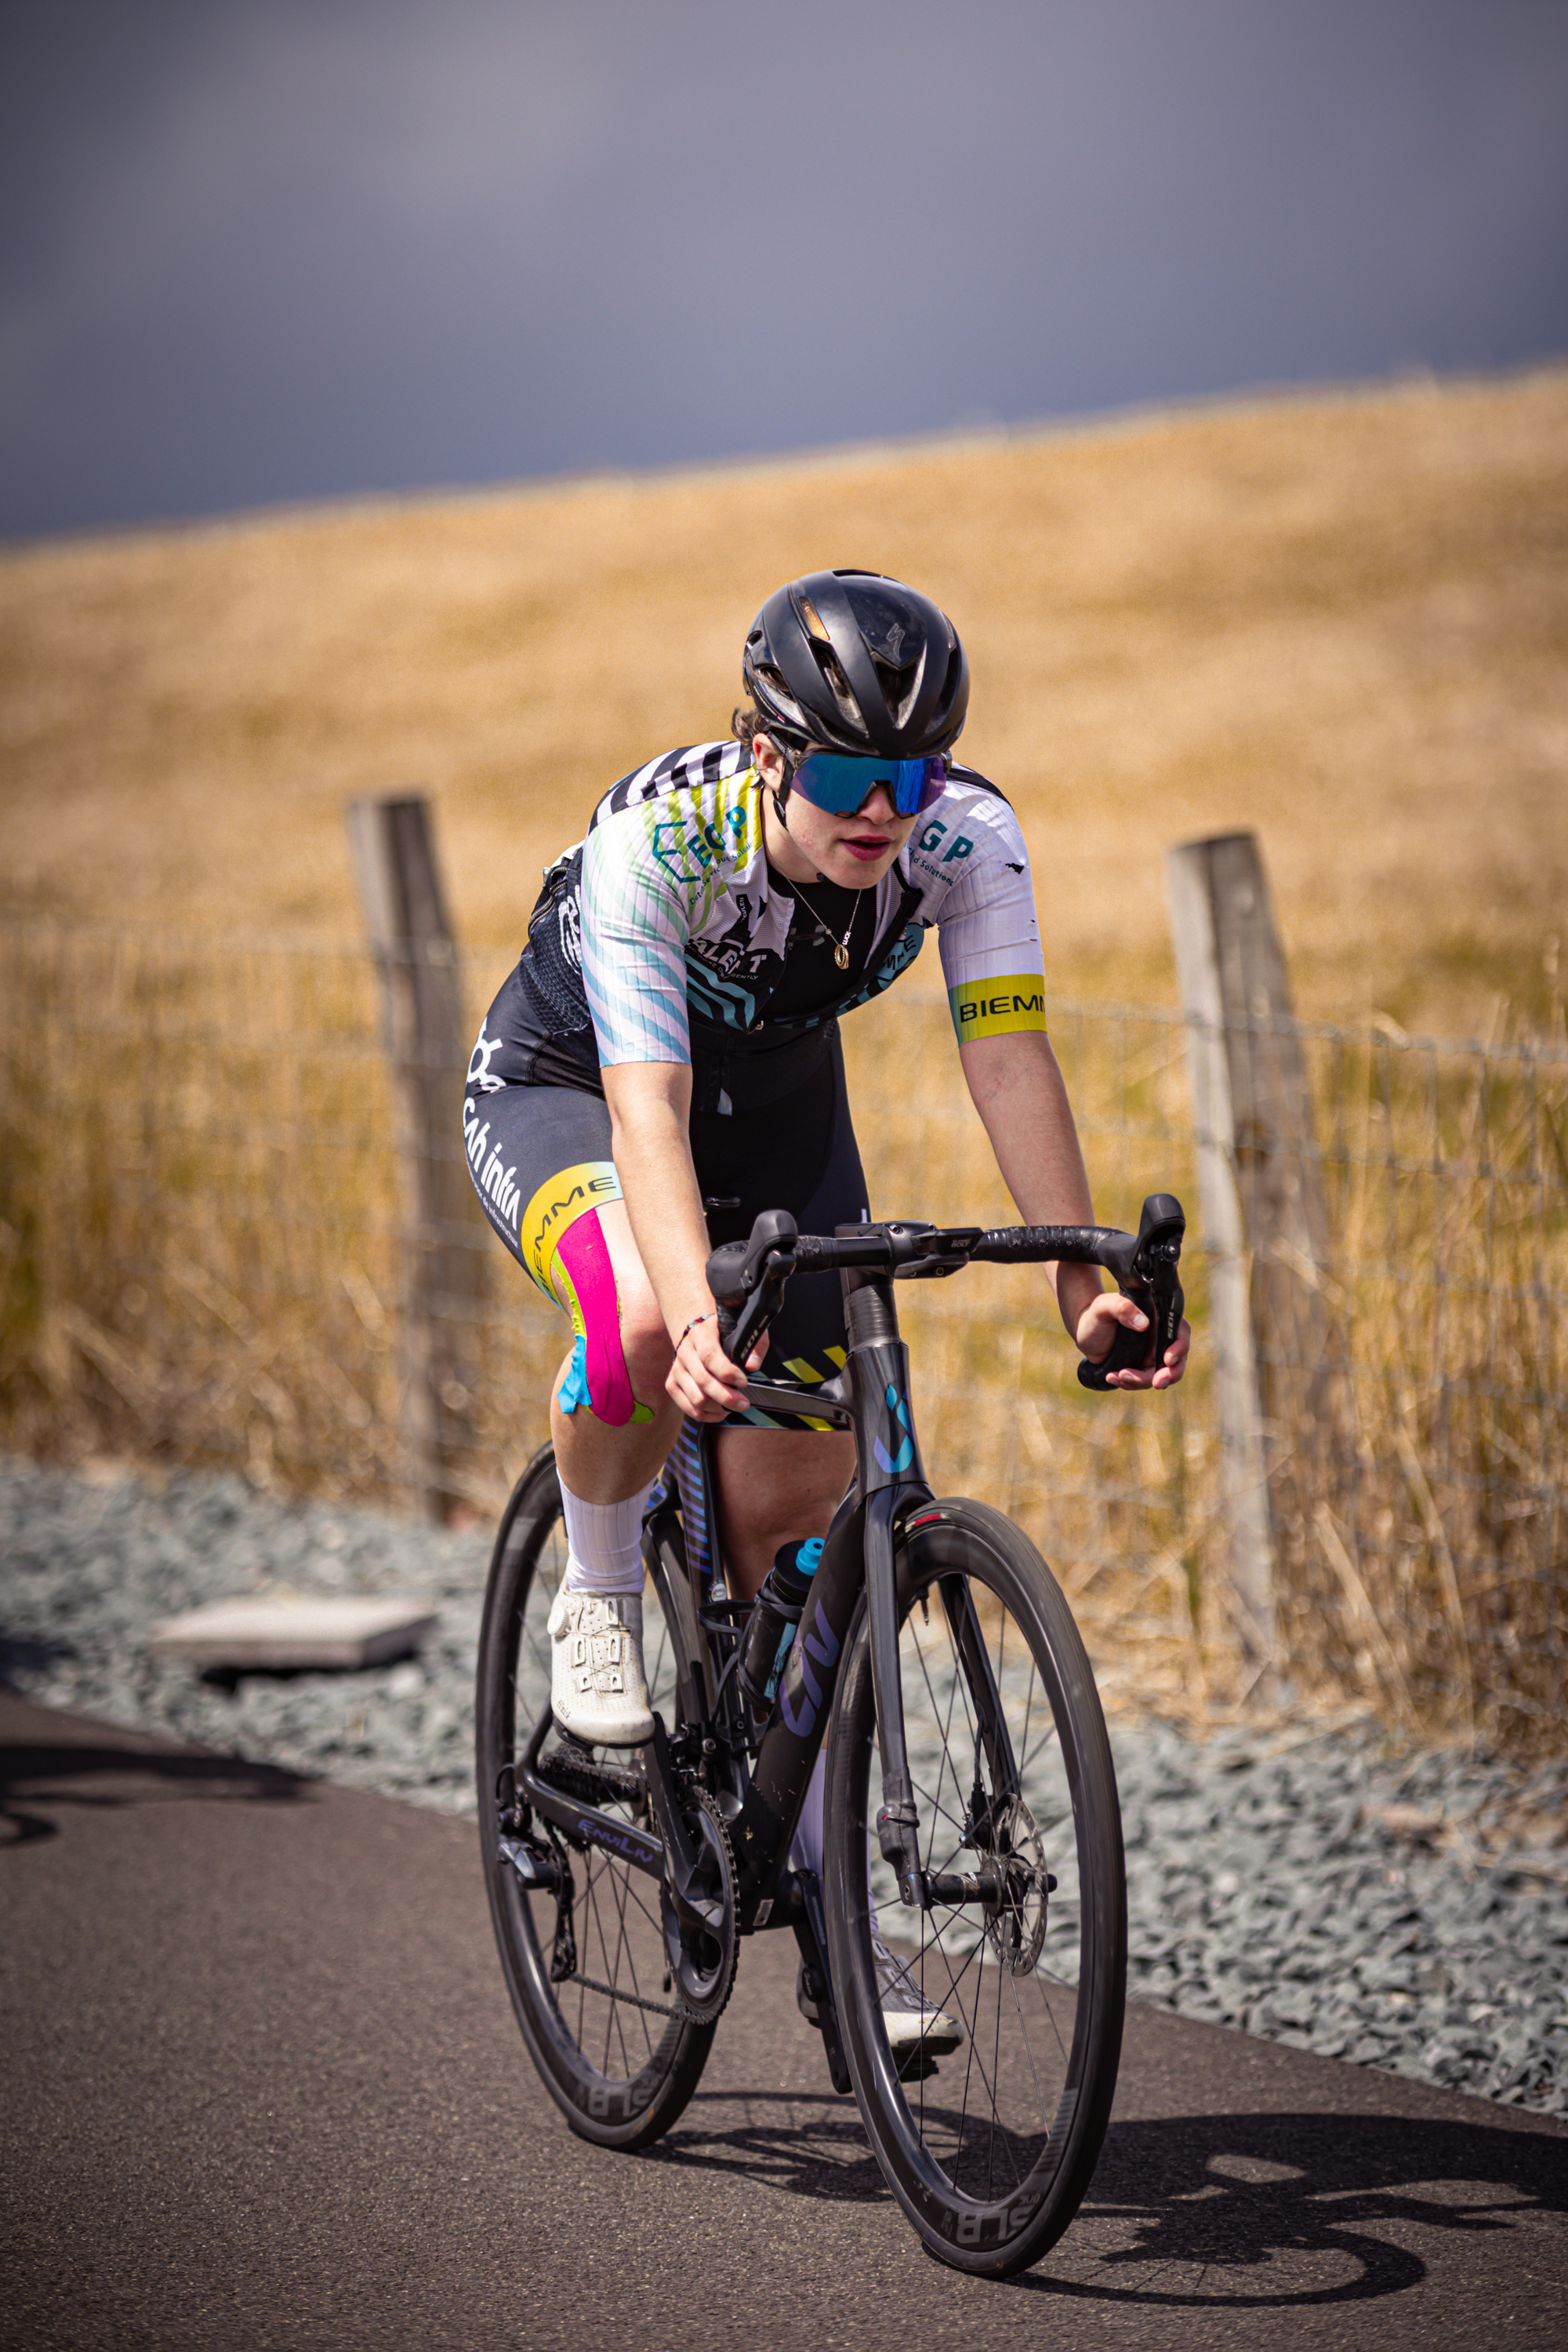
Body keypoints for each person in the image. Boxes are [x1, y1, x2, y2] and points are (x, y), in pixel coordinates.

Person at [464, 568, 1189, 2051]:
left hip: (782, 1116)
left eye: (912, 775)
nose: (885, 810)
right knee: (645, 1326)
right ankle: (598, 1597)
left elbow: (1009, 1061)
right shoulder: (657, 851)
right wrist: (687, 1297)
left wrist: (1079, 1282)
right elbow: (647, 1113)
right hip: (574, 1092)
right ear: (775, 752)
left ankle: (821, 1910)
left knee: (802, 1519)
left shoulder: (966, 842)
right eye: (853, 775)